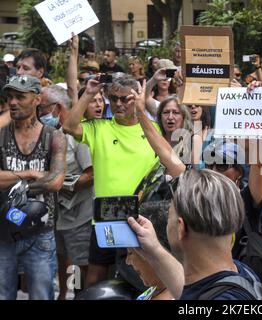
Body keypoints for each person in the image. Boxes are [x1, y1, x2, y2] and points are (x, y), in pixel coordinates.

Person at [62, 74, 160, 288]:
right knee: (95, 279)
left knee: (142, 279)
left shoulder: (153, 130)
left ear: (137, 98)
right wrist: (88, 93)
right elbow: (69, 127)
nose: (118, 103)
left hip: (143, 216)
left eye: (125, 99)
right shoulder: (99, 127)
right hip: (107, 216)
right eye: (113, 98)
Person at [128, 169, 262, 300]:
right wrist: (154, 250)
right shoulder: (240, 272)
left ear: (180, 228)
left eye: (169, 217)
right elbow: (187, 287)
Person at [0, 75, 67, 299]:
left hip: (41, 232)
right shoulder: (2, 134)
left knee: (41, 294)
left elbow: (56, 181)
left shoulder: (53, 136)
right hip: (4, 230)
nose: (13, 102)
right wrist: (29, 174)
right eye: (10, 97)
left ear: (37, 99)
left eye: (20, 97)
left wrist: (13, 184)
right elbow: (47, 180)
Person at [39, 85, 94, 299]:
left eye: (43, 108)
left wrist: (61, 184)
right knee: (62, 257)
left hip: (79, 216)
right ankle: (63, 294)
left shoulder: (77, 135)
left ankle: (77, 295)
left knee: (78, 264)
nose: (40, 114)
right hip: (58, 215)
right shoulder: (52, 133)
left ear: (58, 107)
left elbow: (92, 174)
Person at [156, 96, 191, 163]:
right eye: (166, 112)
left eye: (175, 112)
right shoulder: (153, 141)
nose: (170, 117)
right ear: (160, 117)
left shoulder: (192, 143)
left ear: (183, 117)